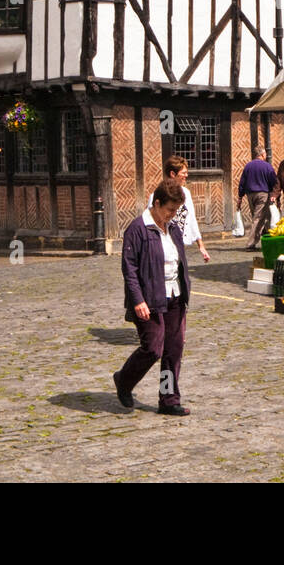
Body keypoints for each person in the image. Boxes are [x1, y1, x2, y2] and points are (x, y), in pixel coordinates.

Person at [114, 177, 192, 416]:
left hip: (175, 296)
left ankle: (168, 400)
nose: (172, 214)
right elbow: (130, 269)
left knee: (173, 350)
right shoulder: (137, 230)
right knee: (153, 348)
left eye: (176, 210)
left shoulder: (173, 228)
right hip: (149, 299)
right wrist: (138, 300)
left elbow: (179, 262)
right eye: (169, 210)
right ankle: (124, 380)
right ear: (156, 203)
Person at [148, 156, 210, 263]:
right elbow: (150, 224)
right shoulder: (157, 196)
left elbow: (192, 219)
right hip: (162, 246)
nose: (186, 175)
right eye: (183, 173)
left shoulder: (186, 193)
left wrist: (201, 246)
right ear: (173, 174)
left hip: (180, 245)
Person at [240, 146, 279, 251]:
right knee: (258, 219)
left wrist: (240, 196)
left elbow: (242, 182)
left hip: (250, 195)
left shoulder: (248, 166)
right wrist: (274, 194)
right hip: (262, 194)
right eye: (265, 154)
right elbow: (273, 181)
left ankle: (267, 239)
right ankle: (250, 244)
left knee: (259, 217)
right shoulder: (267, 166)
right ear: (262, 155)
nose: (266, 156)